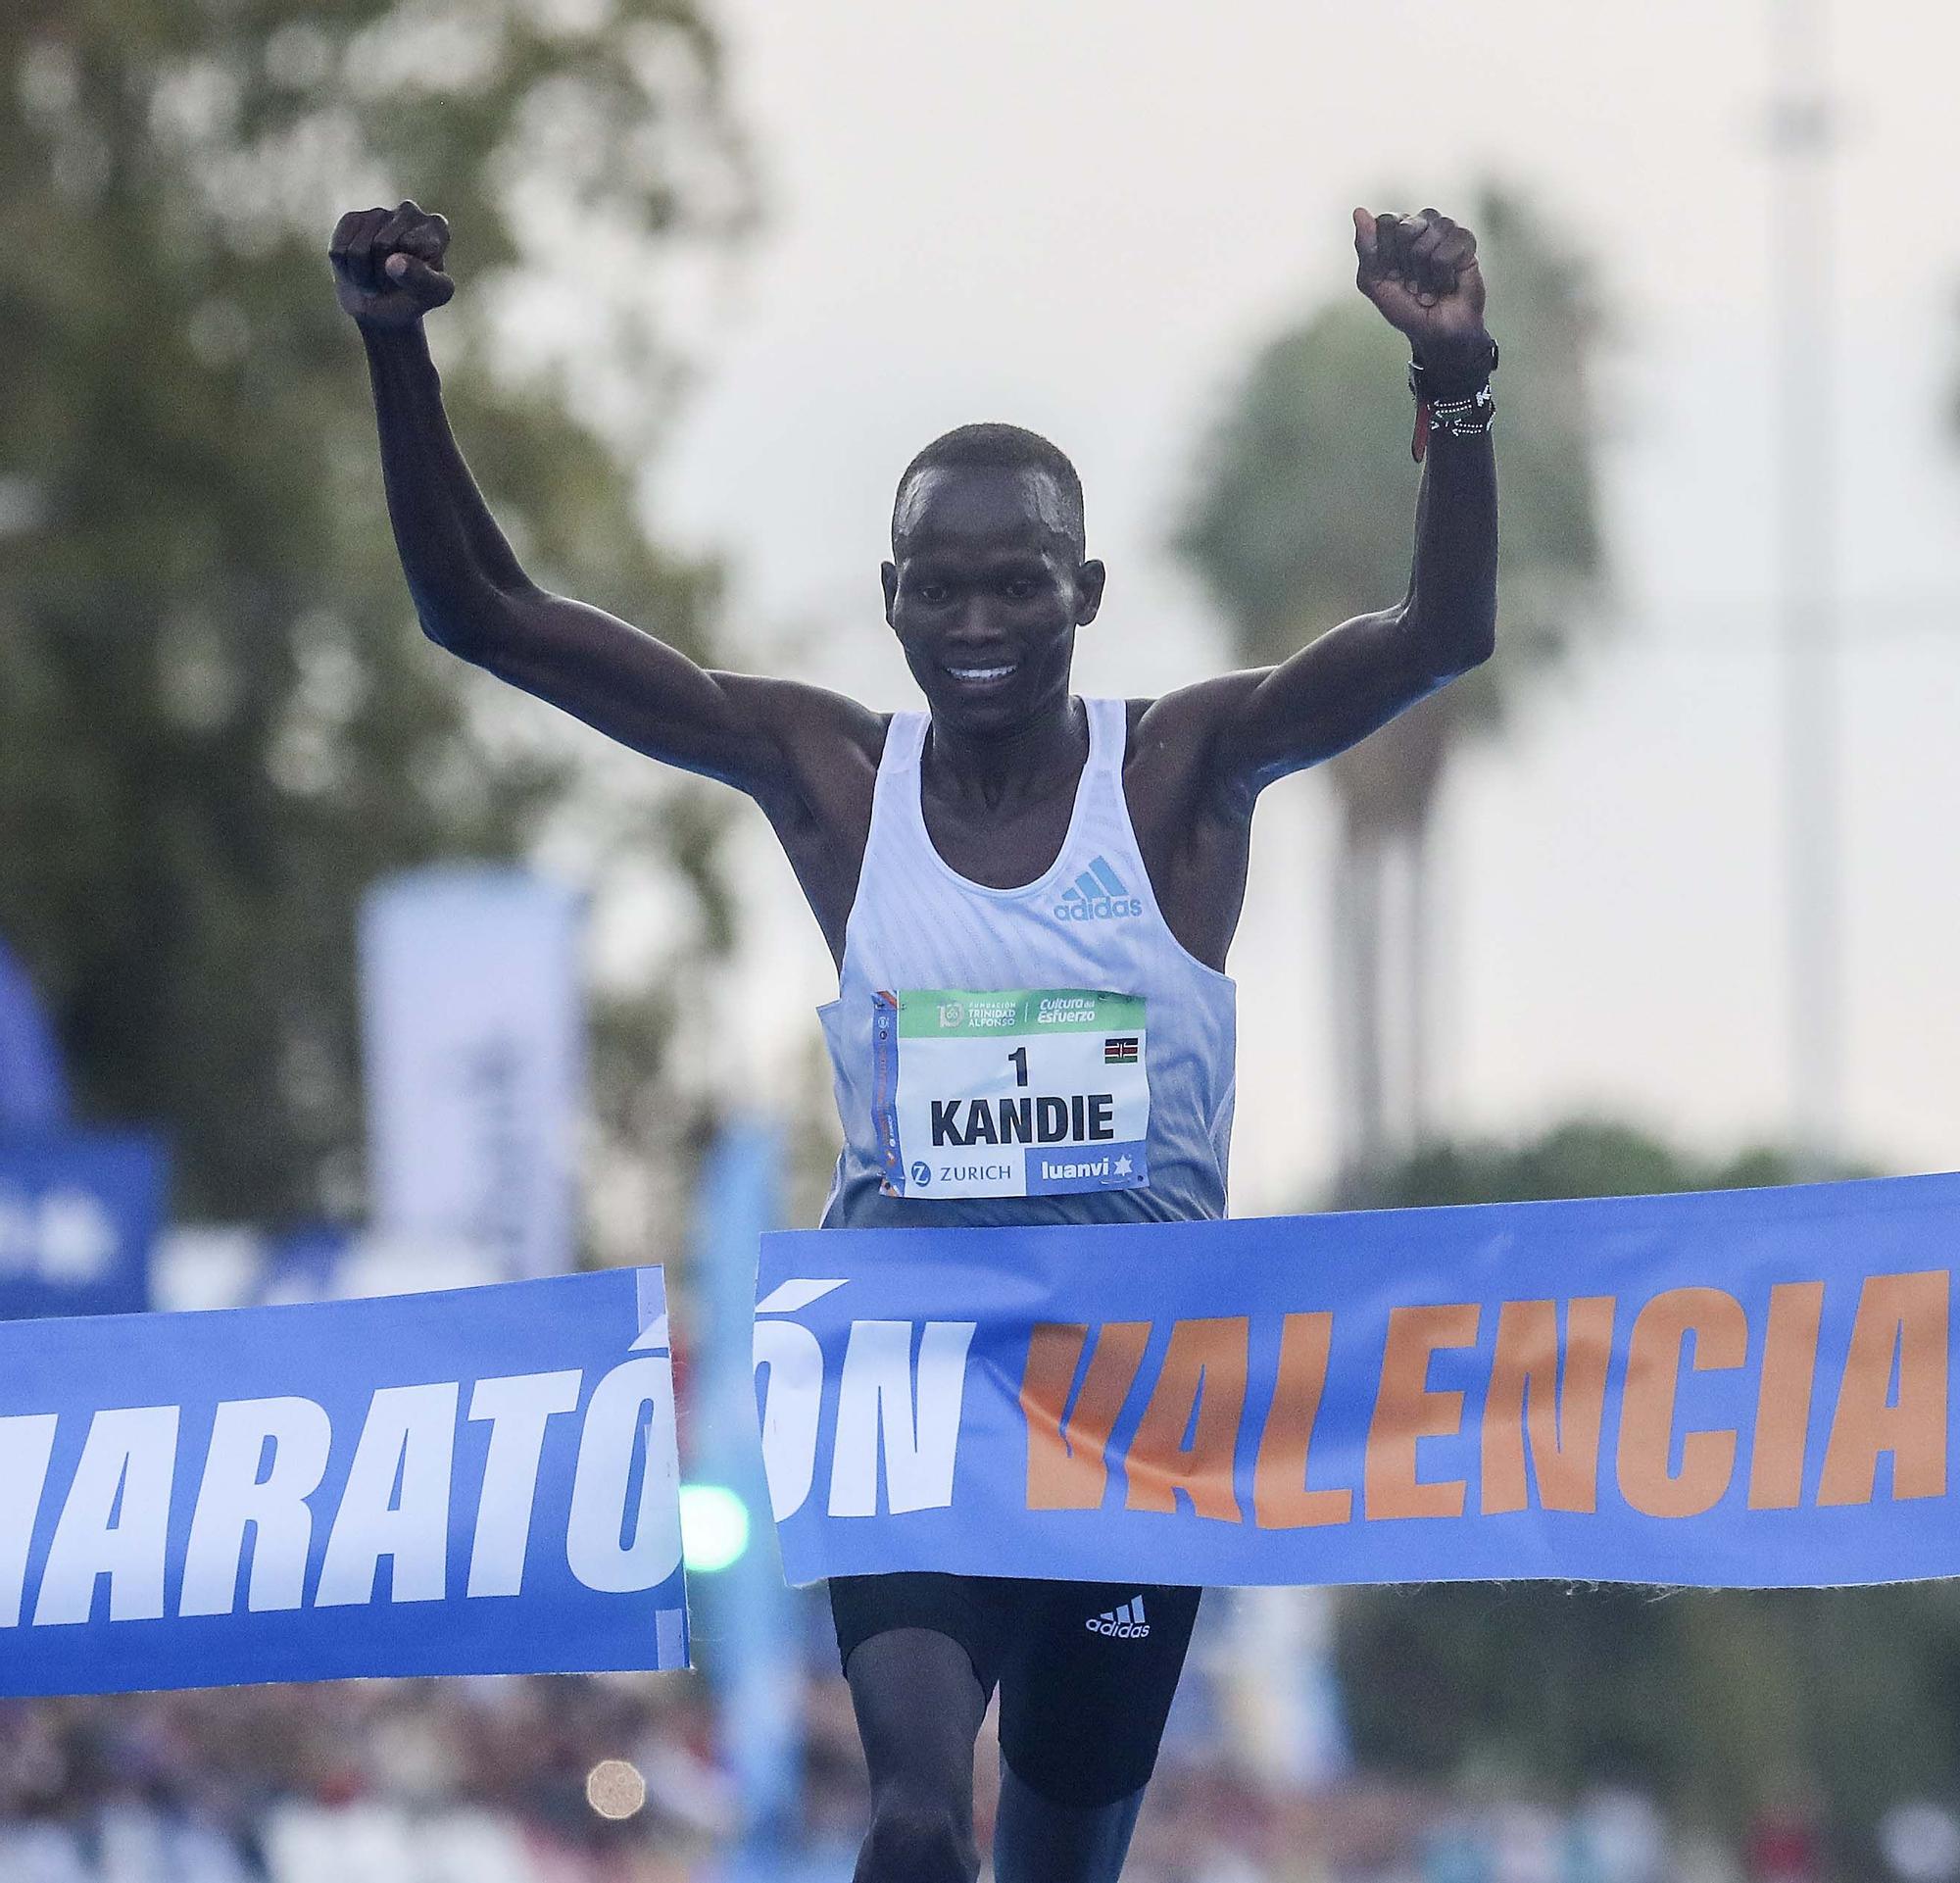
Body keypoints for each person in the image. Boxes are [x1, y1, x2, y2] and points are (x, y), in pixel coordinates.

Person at [331, 196, 1497, 1883]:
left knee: (1055, 1859)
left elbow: (1436, 636)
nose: (976, 625)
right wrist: (396, 351)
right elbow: (488, 617)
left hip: (1130, 1400)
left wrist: (1454, 378)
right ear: (888, 600)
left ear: (1085, 590)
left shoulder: (1177, 778)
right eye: (937, 590)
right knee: (905, 1818)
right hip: (905, 1376)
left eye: (1017, 585)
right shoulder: (836, 782)